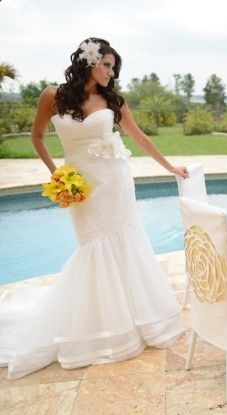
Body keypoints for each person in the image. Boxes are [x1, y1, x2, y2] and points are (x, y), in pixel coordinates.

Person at [0, 37, 188, 379]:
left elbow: (140, 137)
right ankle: (99, 319)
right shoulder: (51, 96)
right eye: (106, 65)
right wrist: (56, 174)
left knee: (124, 242)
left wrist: (170, 167)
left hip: (115, 181)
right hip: (80, 187)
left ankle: (130, 317)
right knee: (92, 246)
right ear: (89, 61)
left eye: (113, 67)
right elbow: (37, 137)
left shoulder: (113, 100)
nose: (110, 72)